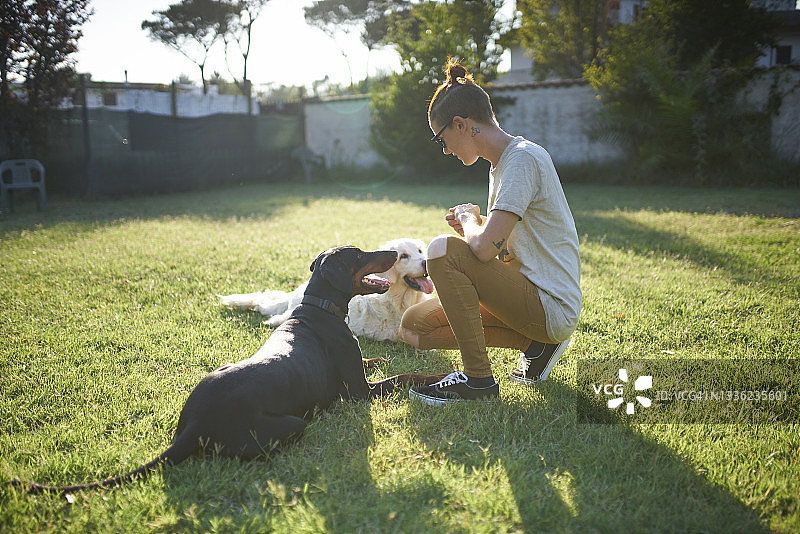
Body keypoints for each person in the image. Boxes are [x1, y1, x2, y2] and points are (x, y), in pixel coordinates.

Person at [403, 59, 582, 406]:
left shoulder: (523, 159)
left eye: (442, 139)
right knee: (415, 325)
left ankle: (478, 382)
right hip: (526, 294)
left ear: (461, 124)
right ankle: (539, 347)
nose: (445, 150)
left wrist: (471, 222)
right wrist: (480, 225)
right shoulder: (500, 167)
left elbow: (484, 252)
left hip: (551, 304)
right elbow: (504, 249)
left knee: (441, 250)